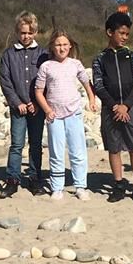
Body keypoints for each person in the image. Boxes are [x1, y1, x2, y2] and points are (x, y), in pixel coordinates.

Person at [33, 31, 98, 200]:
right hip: (54, 115)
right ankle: (57, 188)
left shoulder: (75, 64)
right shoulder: (46, 66)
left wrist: (91, 99)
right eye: (58, 45)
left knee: (78, 151)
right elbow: (38, 91)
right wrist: (47, 110)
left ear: (70, 46)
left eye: (64, 44)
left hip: (73, 112)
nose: (61, 48)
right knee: (56, 152)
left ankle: (81, 186)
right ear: (52, 47)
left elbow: (86, 82)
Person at [93, 10, 133, 203]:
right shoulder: (100, 58)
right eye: (121, 33)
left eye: (127, 34)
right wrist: (115, 106)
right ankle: (118, 183)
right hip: (110, 109)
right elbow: (98, 86)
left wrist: (125, 106)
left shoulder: (132, 57)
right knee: (114, 147)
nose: (125, 37)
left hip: (130, 106)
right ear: (110, 32)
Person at [0, 11, 46, 198]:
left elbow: (46, 80)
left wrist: (36, 101)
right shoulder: (9, 54)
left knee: (35, 144)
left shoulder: (43, 54)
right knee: (17, 144)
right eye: (22, 33)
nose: (25, 36)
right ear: (17, 32)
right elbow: (5, 80)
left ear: (35, 32)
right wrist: (17, 102)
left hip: (37, 107)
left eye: (29, 33)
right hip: (17, 108)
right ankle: (13, 179)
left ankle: (34, 177)